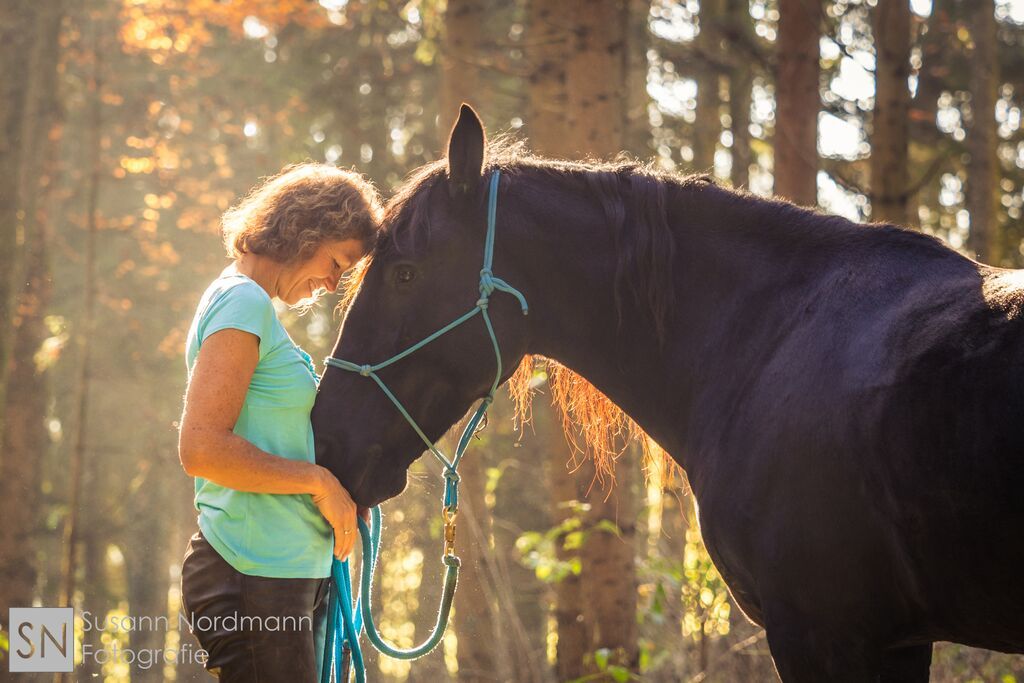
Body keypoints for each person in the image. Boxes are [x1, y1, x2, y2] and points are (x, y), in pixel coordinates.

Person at [177, 162, 381, 681]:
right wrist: (319, 483)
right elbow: (202, 448)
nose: (333, 283)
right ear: (305, 229)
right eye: (337, 262)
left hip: (279, 573)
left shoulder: (251, 306)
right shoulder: (242, 300)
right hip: (253, 574)